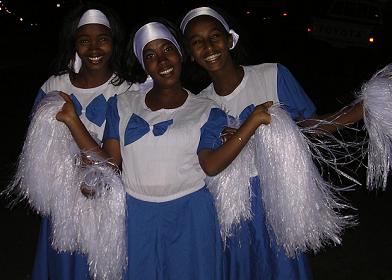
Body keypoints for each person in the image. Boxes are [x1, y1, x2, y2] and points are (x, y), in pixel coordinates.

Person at [55, 19, 271, 280]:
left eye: (167, 50)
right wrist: (72, 121)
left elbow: (211, 165)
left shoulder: (206, 108)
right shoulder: (122, 104)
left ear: (180, 54)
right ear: (144, 65)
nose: (163, 61)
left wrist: (252, 123)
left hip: (191, 215)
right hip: (136, 214)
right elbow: (110, 164)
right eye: (151, 55)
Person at [180, 6, 363, 280]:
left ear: (230, 40)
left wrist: (362, 108)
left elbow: (311, 127)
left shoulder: (273, 75)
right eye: (197, 42)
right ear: (192, 56)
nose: (208, 46)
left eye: (214, 36)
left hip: (278, 199)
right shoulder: (200, 104)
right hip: (233, 212)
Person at [31, 4, 140, 279]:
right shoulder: (53, 88)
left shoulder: (130, 91)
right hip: (65, 206)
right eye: (84, 41)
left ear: (114, 43)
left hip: (111, 207)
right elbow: (38, 159)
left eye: (103, 39)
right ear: (74, 46)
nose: (94, 48)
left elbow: (132, 157)